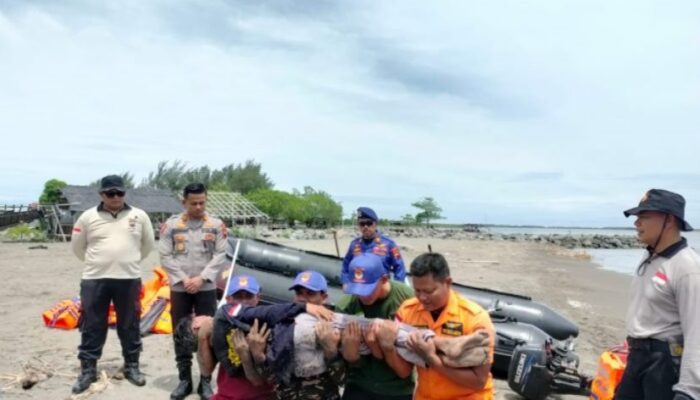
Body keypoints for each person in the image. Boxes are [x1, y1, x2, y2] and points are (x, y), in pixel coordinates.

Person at [70, 175, 155, 394]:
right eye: (110, 193)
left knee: (130, 324)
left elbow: (147, 245)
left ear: (125, 193)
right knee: (92, 325)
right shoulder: (87, 217)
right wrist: (98, 263)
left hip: (128, 279)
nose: (116, 197)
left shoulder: (139, 215)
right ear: (101, 195)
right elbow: (78, 247)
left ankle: (132, 366)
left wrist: (128, 261)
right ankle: (88, 370)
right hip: (94, 279)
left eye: (120, 193)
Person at [614, 189, 700, 400]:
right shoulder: (650, 257)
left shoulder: (687, 267)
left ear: (669, 220)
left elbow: (696, 331)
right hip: (638, 356)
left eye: (644, 217)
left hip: (665, 364)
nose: (636, 223)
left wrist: (689, 390)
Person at [159, 182, 228, 400]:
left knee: (207, 333)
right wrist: (184, 279)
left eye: (202, 202)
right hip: (180, 287)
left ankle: (205, 382)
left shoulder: (216, 225)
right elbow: (165, 256)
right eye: (194, 203)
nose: (199, 207)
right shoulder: (171, 225)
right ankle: (185, 380)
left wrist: (202, 278)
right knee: (181, 333)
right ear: (184, 202)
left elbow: (220, 255)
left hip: (206, 286)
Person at [395, 252, 495, 400]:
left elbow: (478, 381)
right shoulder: (407, 311)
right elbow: (403, 368)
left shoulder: (475, 318)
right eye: (417, 290)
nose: (422, 297)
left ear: (448, 283)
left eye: (429, 291)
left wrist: (432, 359)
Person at [336, 253, 415, 400]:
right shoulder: (346, 306)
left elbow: (408, 368)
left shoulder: (407, 300)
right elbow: (345, 361)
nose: (363, 296)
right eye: (357, 290)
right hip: (359, 385)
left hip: (398, 389)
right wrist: (351, 356)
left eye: (368, 289)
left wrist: (387, 348)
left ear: (384, 279)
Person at [341, 207, 406, 284]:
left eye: (369, 223)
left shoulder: (389, 244)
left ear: (375, 224)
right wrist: (345, 283)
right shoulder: (354, 244)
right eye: (362, 224)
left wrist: (396, 288)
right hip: (359, 289)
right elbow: (345, 266)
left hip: (381, 289)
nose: (365, 227)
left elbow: (400, 267)